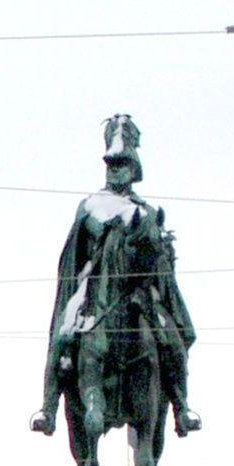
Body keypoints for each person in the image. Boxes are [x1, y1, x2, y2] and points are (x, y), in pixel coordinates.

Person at [32, 114, 199, 440]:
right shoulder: (91, 208)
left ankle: (182, 406)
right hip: (93, 293)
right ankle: (48, 408)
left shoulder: (148, 213)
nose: (116, 169)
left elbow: (158, 261)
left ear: (134, 168)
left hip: (141, 294)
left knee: (172, 340)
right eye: (112, 164)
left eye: (122, 164)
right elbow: (76, 256)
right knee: (63, 336)